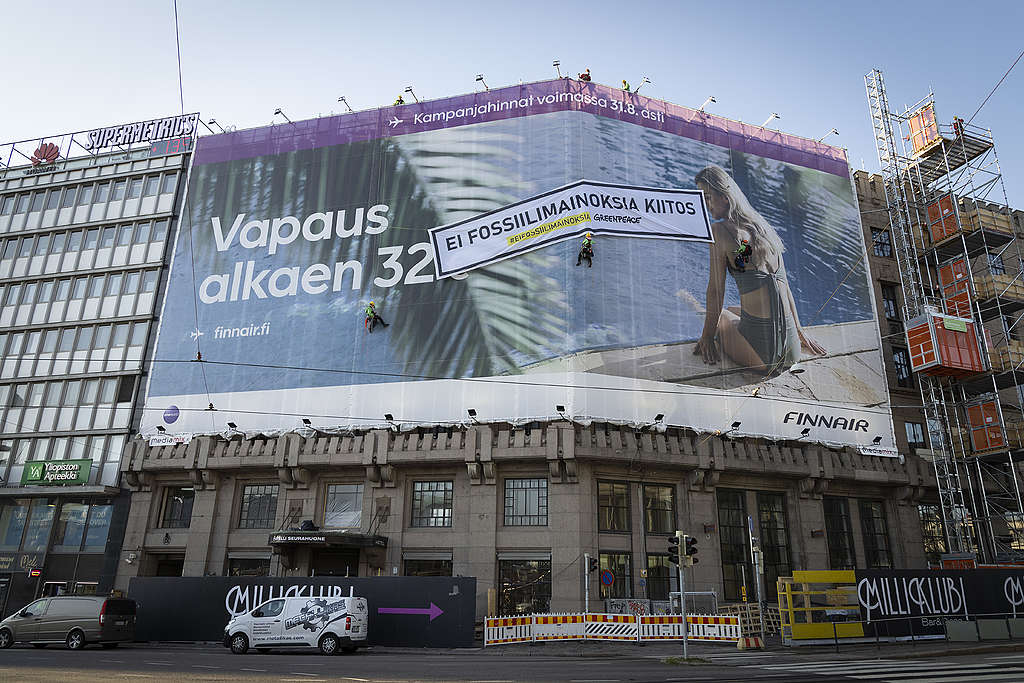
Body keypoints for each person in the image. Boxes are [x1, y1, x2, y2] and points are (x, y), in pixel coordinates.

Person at [692, 165, 825, 374]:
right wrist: (799, 332)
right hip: (792, 350)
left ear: (725, 197)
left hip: (763, 357)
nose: (705, 204)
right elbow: (785, 287)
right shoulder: (763, 227)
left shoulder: (719, 230)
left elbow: (716, 292)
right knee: (737, 309)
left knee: (722, 314)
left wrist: (707, 337)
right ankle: (788, 334)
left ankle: (691, 304)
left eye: (707, 197)